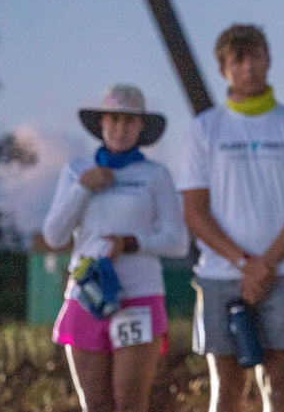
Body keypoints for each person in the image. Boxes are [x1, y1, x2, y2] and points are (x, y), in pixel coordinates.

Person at [178, 24, 284, 412]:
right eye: (237, 59)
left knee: (279, 385)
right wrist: (245, 264)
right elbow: (194, 211)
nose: (248, 67)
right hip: (220, 275)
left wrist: (266, 264)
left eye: (255, 56)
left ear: (269, 59)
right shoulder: (204, 129)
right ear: (223, 68)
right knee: (226, 387)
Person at [43, 84, 188, 412]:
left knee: (130, 405)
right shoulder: (77, 172)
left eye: (129, 121)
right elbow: (54, 236)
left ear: (141, 127)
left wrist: (132, 243)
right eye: (113, 120)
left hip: (138, 296)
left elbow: (178, 242)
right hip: (87, 295)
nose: (120, 129)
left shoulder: (155, 175)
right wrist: (82, 189)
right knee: (95, 405)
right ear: (101, 124)